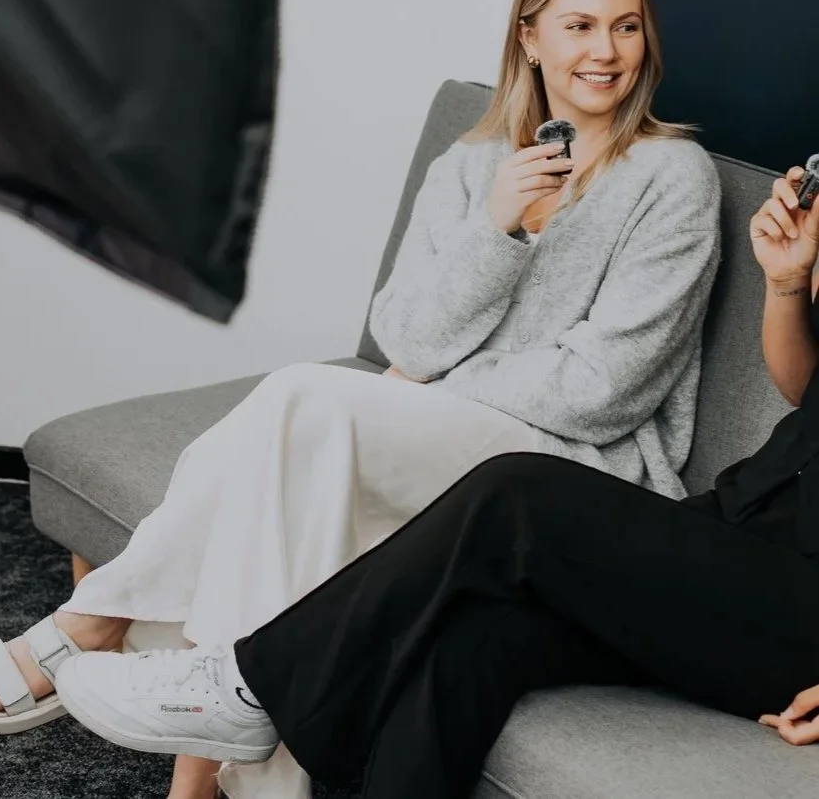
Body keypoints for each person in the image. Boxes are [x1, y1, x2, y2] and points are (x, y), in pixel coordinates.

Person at [0, 0, 721, 799]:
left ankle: (96, 624)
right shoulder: (471, 167)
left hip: (574, 477)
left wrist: (436, 383)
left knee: (305, 401)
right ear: (529, 37)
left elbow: (604, 390)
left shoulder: (671, 176)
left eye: (625, 27)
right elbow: (406, 342)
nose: (604, 51)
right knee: (285, 469)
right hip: (441, 445)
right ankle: (230, 763)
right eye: (579, 25)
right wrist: (494, 228)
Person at [52, 160, 819, 799]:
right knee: (470, 632)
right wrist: (786, 285)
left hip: (798, 608)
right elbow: (803, 392)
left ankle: (250, 682)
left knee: (520, 493)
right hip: (732, 533)